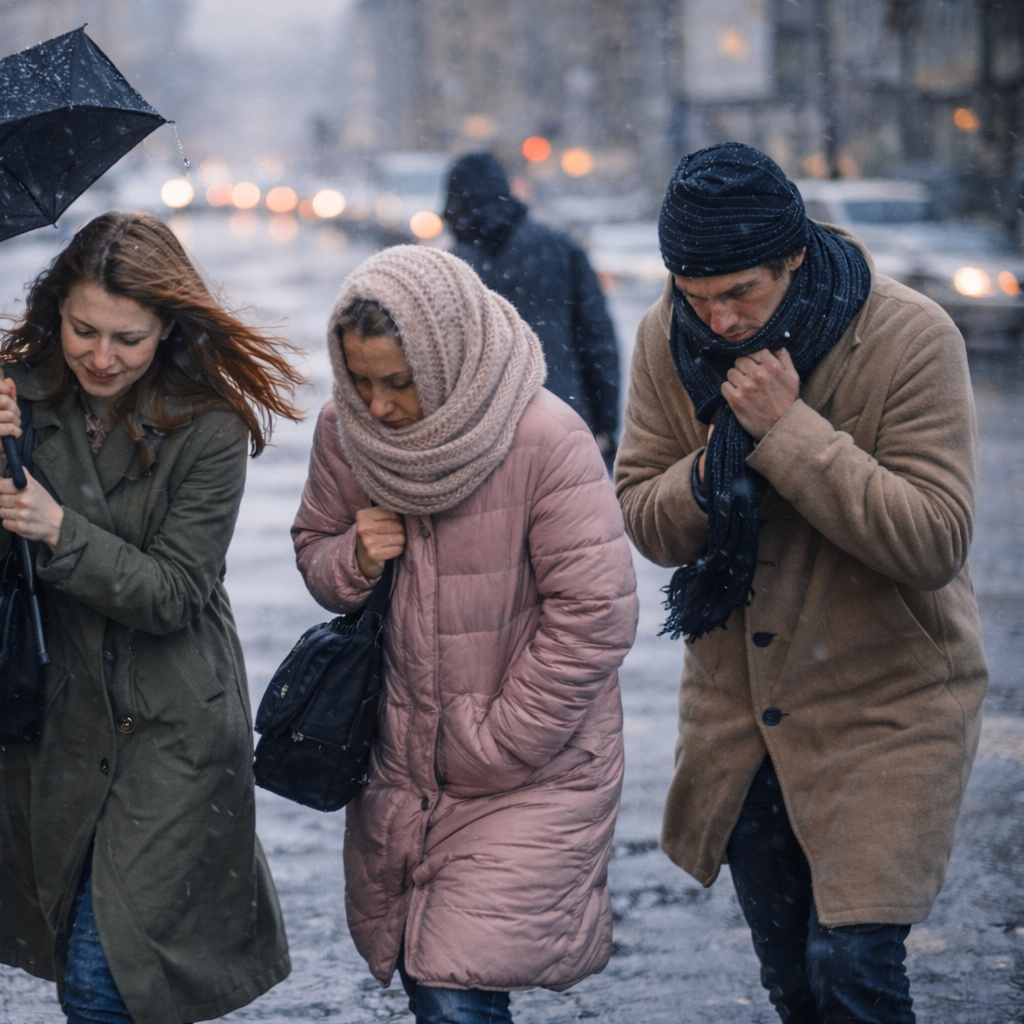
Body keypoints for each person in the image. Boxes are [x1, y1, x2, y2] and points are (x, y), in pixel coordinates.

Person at [615, 143, 986, 1023]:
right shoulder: (667, 340)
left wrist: (787, 432)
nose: (721, 319)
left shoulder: (908, 336)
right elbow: (642, 513)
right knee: (794, 987)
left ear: (793, 254)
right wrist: (710, 473)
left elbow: (934, 539)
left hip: (886, 710)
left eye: (741, 292)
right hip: (743, 722)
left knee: (853, 974)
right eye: (698, 297)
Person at [0, 211, 303, 1024]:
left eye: (127, 339)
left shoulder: (209, 424)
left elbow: (173, 592)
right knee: (81, 964)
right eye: (83, 330)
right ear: (55, 310)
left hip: (171, 723)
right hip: (55, 717)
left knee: (115, 978)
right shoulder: (16, 397)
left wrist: (60, 530)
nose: (101, 357)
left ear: (166, 327)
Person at [291, 245, 638, 1024]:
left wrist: (499, 739)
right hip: (400, 768)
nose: (376, 406)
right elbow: (313, 550)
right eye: (360, 380)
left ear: (445, 359)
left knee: (452, 988)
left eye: (398, 384)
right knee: (428, 974)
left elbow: (597, 611)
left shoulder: (545, 437)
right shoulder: (347, 432)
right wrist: (353, 555)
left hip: (534, 770)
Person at [442, 151, 621, 463]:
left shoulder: (451, 267)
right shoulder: (561, 247)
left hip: (480, 440)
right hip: (564, 421)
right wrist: (605, 422)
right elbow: (597, 341)